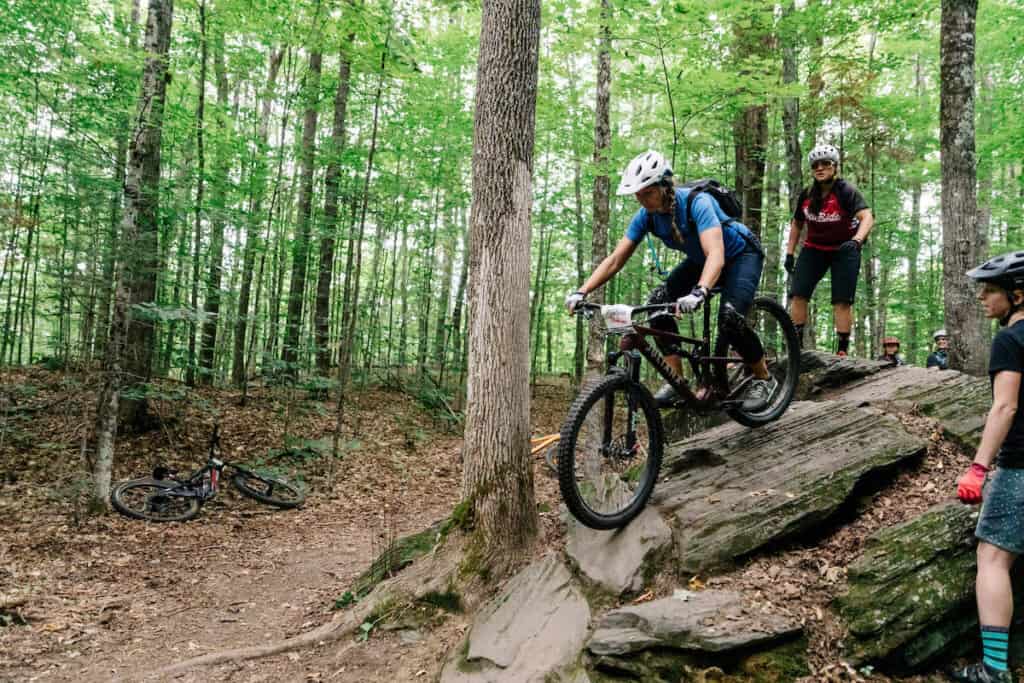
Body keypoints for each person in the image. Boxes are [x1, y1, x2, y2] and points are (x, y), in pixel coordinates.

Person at [565, 150, 773, 411]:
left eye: (648, 193)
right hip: (701, 261)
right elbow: (615, 260)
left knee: (730, 319)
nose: (642, 201)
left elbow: (716, 254)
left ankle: (763, 377)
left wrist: (700, 291)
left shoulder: (698, 202)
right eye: (637, 195)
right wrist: (581, 292)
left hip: (741, 255)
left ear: (665, 186)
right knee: (657, 303)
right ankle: (677, 380)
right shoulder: (646, 216)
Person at [951, 251, 1024, 683]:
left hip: (1019, 469)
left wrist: (978, 469)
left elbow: (1005, 407)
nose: (981, 297)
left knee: (993, 559)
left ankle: (995, 669)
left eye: (990, 290)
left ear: (1016, 295)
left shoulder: (1011, 340)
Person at [784, 144, 875, 357]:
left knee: (842, 299)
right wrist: (789, 253)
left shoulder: (846, 191)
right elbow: (797, 223)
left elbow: (867, 216)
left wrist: (857, 240)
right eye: (816, 165)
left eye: (826, 164)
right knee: (798, 293)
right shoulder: (807, 194)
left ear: (835, 167)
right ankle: (796, 346)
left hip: (845, 249)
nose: (820, 168)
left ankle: (842, 350)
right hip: (814, 248)